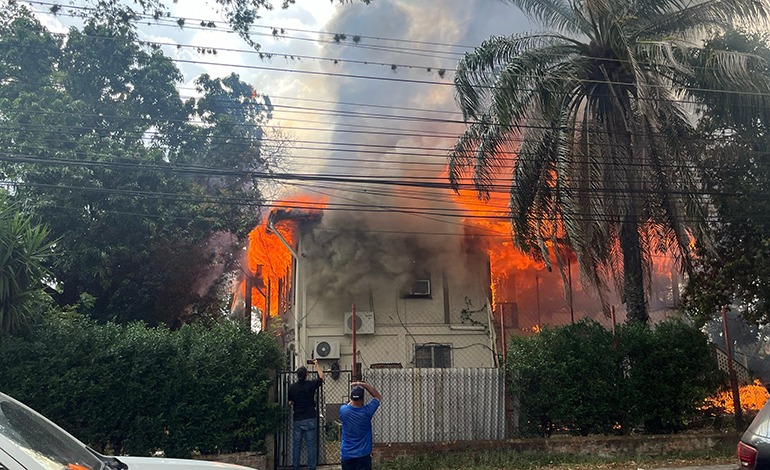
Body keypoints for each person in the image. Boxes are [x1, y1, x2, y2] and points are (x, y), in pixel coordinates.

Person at [288, 358, 325, 470]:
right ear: (306, 375)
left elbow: (290, 402)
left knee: (297, 445)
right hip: (310, 417)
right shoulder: (311, 385)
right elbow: (322, 377)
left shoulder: (292, 387)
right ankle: (311, 467)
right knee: (310, 445)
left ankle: (295, 467)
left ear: (297, 375)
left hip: (298, 418)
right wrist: (316, 364)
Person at [339, 381, 382, 470]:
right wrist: (363, 384)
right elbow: (377, 396)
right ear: (362, 399)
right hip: (363, 454)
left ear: (351, 398)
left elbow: (349, 405)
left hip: (347, 454)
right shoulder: (367, 412)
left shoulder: (343, 411)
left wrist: (352, 399)